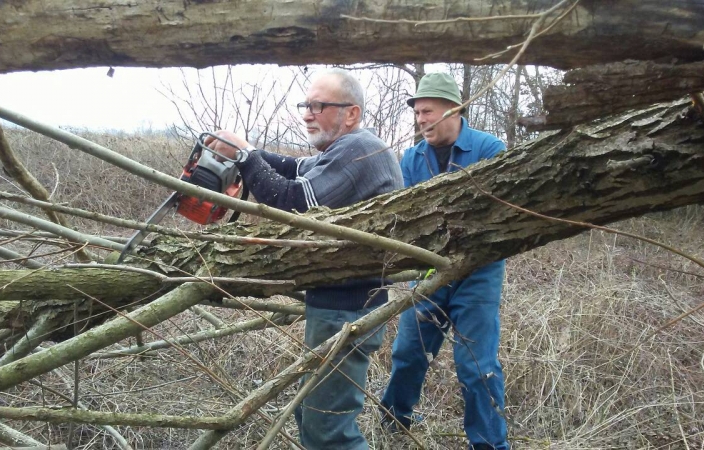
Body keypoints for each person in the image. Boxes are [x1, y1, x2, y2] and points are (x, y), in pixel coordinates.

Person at [205, 68, 403, 450]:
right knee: (311, 418)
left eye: (318, 106)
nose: (307, 114)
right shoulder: (343, 150)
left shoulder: (360, 150)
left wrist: (246, 156)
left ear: (351, 113)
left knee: (329, 432)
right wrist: (242, 150)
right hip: (338, 306)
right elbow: (293, 169)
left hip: (347, 311)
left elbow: (293, 203)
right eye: (305, 105)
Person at [380, 72, 509, 450]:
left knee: (477, 365)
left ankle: (489, 444)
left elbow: (494, 214)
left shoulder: (489, 149)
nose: (420, 120)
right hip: (429, 269)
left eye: (428, 111)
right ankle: (395, 420)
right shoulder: (412, 157)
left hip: (478, 272)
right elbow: (407, 217)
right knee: (408, 352)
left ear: (454, 109)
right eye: (417, 113)